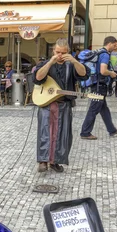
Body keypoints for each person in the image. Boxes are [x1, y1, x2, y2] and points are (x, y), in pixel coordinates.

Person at [33, 38, 89, 173]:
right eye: (58, 52)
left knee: (62, 134)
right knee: (45, 132)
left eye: (63, 53)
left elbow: (84, 74)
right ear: (53, 51)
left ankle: (55, 161)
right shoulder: (46, 63)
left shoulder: (71, 65)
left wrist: (75, 60)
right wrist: (51, 61)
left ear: (68, 52)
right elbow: (38, 77)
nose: (60, 55)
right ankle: (43, 161)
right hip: (47, 103)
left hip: (64, 104)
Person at [80, 36, 117, 140]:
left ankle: (111, 129)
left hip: (97, 85)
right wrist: (111, 73)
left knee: (104, 109)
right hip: (99, 86)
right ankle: (85, 132)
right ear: (110, 43)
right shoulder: (105, 55)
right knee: (93, 109)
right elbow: (103, 71)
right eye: (115, 45)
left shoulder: (99, 52)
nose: (115, 48)